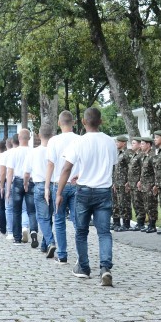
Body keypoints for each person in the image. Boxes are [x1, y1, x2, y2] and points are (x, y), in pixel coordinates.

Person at [57, 107, 117, 286]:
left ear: (83, 122)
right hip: (103, 191)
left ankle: (83, 267)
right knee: (104, 232)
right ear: (101, 121)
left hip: (83, 191)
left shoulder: (79, 142)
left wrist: (59, 192)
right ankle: (105, 268)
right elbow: (110, 165)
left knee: (81, 231)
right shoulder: (110, 142)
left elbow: (66, 168)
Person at [46, 111, 79, 264]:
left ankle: (62, 254)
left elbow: (50, 164)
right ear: (73, 122)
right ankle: (81, 254)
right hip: (76, 183)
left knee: (59, 220)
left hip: (58, 184)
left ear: (59, 123)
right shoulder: (80, 139)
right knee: (78, 220)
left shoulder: (53, 141)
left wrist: (47, 187)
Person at [25, 126, 56, 256]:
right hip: (53, 184)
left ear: (38, 135)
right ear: (52, 135)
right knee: (49, 217)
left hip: (39, 185)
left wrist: (25, 184)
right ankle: (44, 245)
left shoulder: (33, 152)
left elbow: (26, 172)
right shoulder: (55, 150)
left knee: (42, 218)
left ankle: (50, 242)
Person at [137, 136, 158, 233]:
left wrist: (155, 185)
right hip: (144, 185)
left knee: (151, 205)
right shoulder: (144, 156)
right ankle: (150, 223)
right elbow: (144, 171)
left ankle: (152, 224)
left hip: (150, 185)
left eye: (142, 144)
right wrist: (140, 181)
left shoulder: (152, 156)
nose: (141, 145)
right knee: (146, 205)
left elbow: (156, 171)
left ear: (149, 145)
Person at [111, 135, 130, 231]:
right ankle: (116, 222)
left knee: (124, 203)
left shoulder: (127, 154)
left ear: (124, 143)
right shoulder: (118, 154)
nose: (116, 144)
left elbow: (130, 169)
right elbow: (115, 170)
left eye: (118, 142)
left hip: (123, 183)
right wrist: (114, 182)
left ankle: (126, 224)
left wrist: (128, 182)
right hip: (117, 183)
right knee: (116, 204)